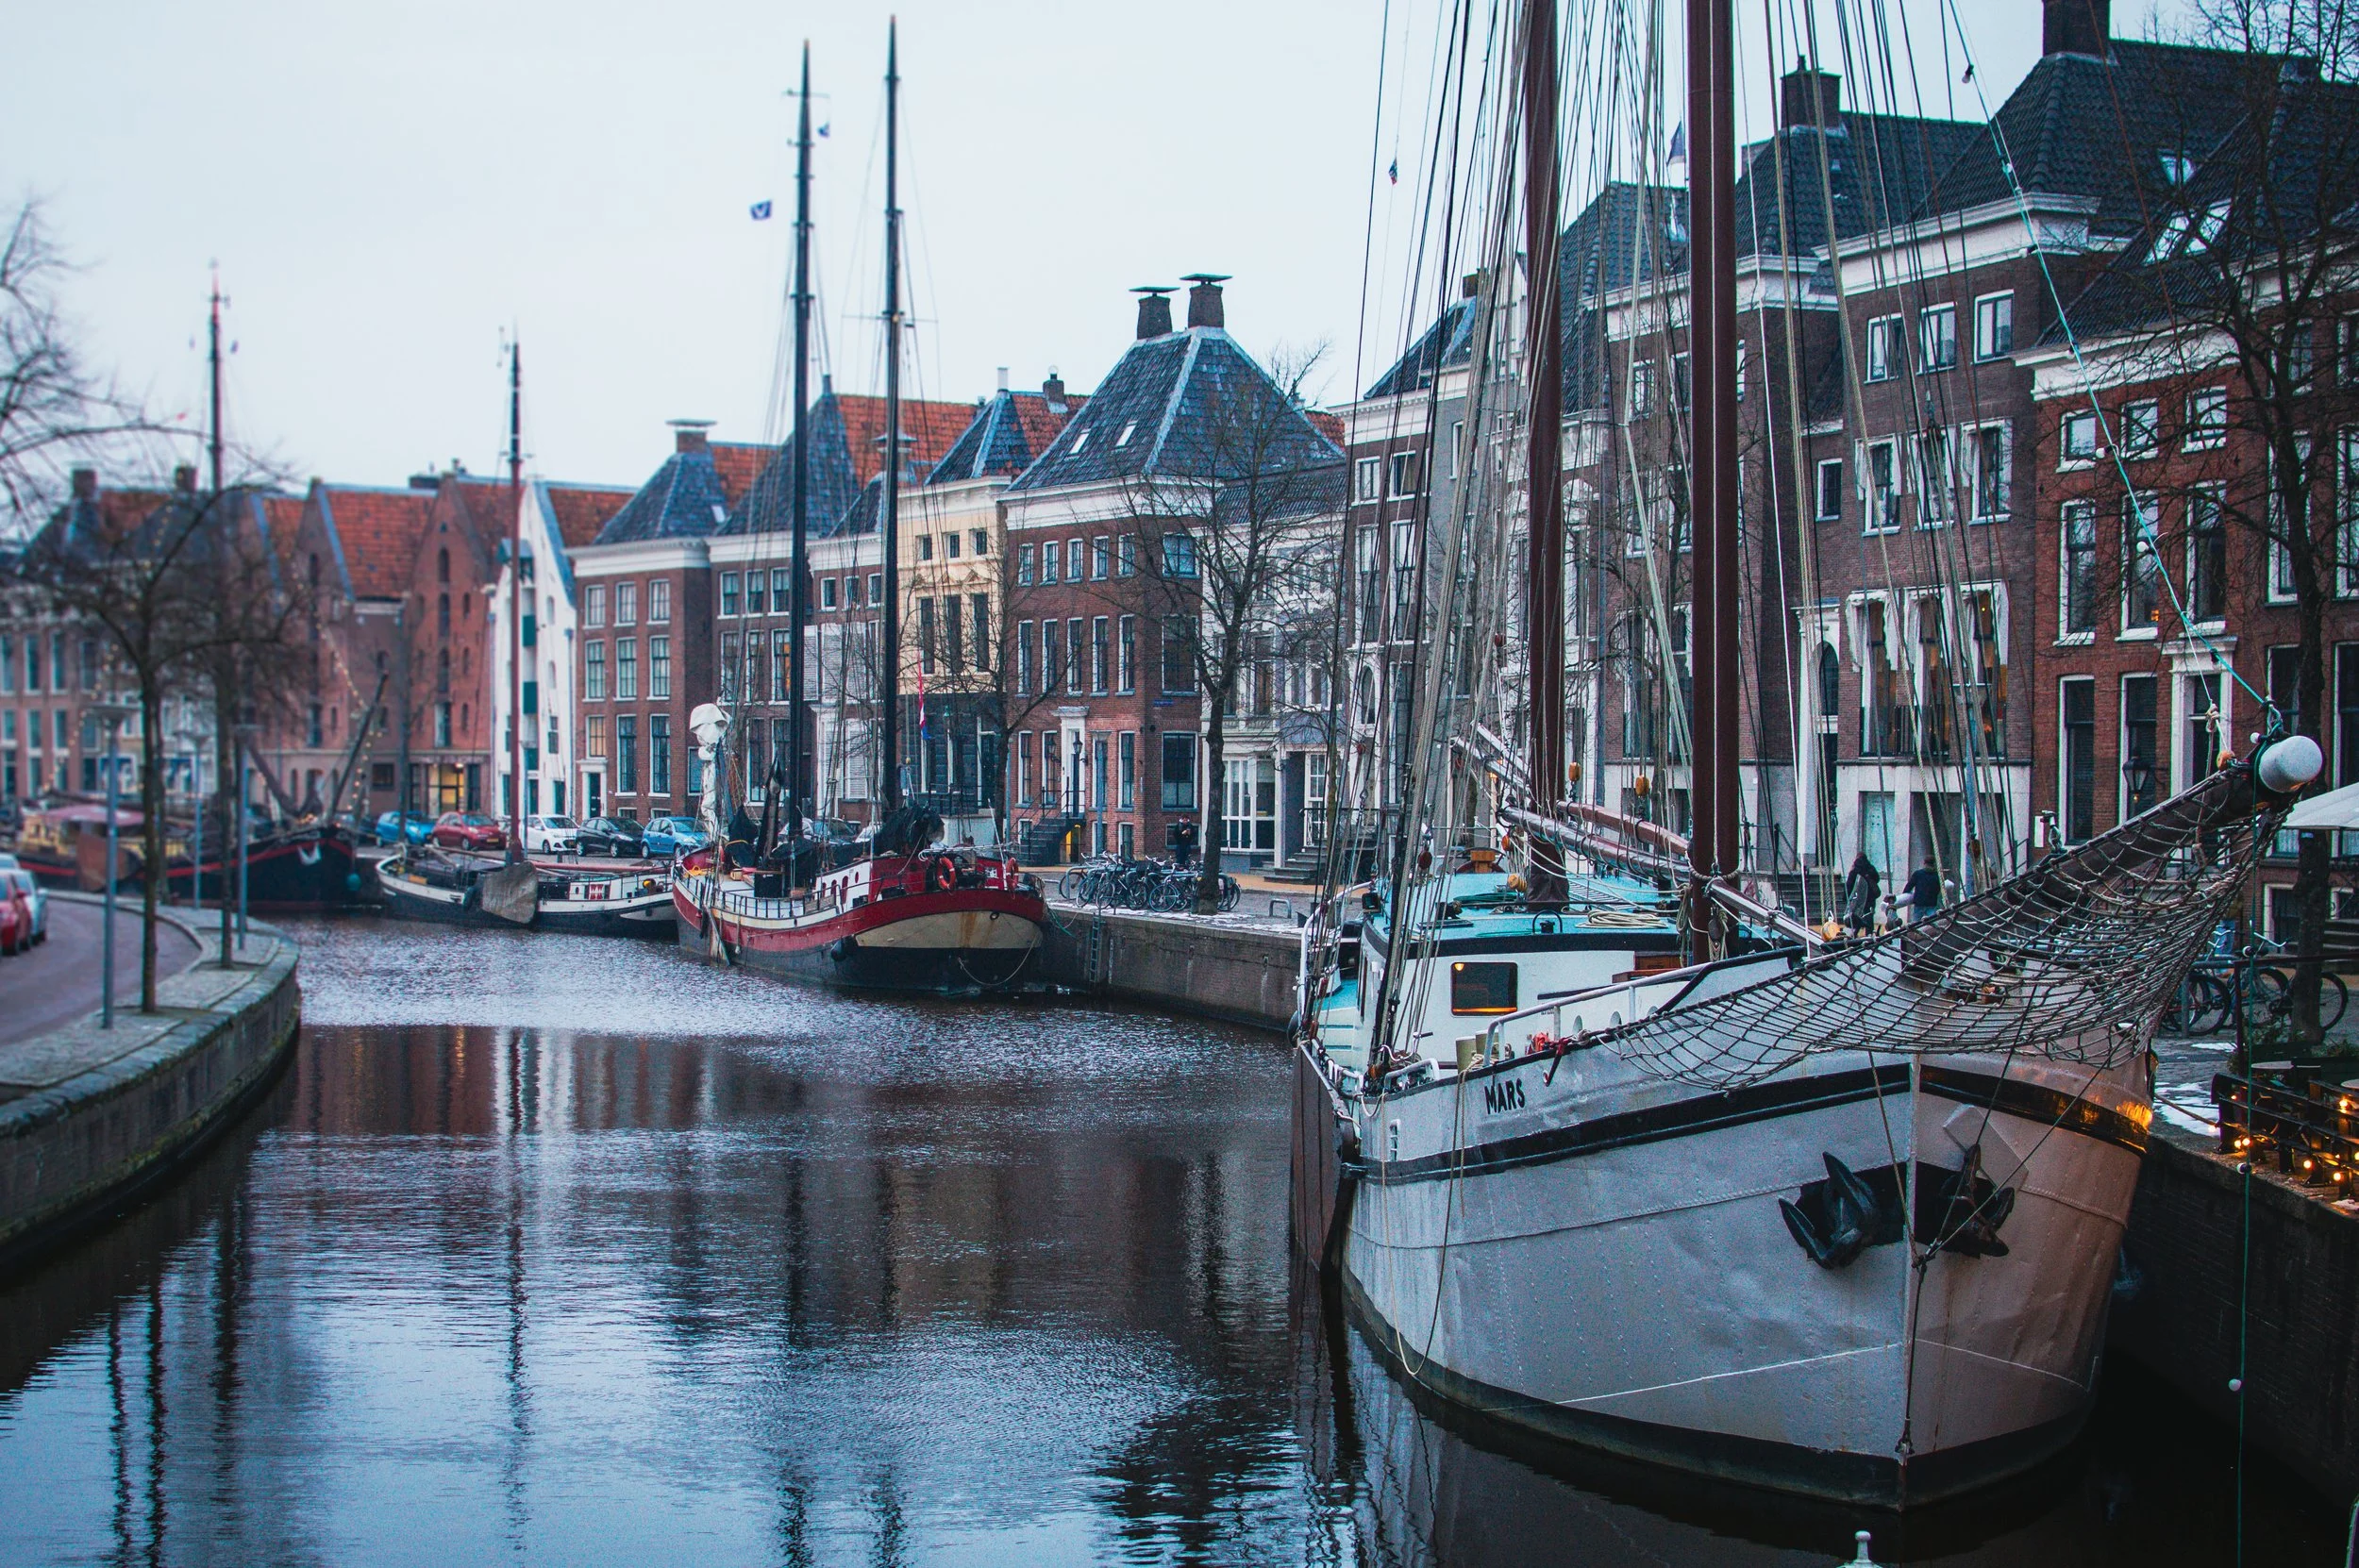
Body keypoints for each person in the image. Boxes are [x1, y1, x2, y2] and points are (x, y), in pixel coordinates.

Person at [1840, 851, 1882, 935]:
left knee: (1856, 915)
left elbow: (1849, 884)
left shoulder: (1855, 869)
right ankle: (1869, 933)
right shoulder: (1870, 868)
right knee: (1869, 914)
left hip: (1858, 897)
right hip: (1870, 896)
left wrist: (1845, 896)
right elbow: (1877, 878)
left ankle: (1854, 933)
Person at [1905, 855, 1944, 922]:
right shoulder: (1936, 876)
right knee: (1933, 923)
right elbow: (1938, 890)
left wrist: (1905, 894)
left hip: (1919, 903)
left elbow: (1909, 885)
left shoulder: (1918, 874)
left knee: (1915, 924)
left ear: (1924, 863)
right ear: (1934, 864)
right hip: (1931, 903)